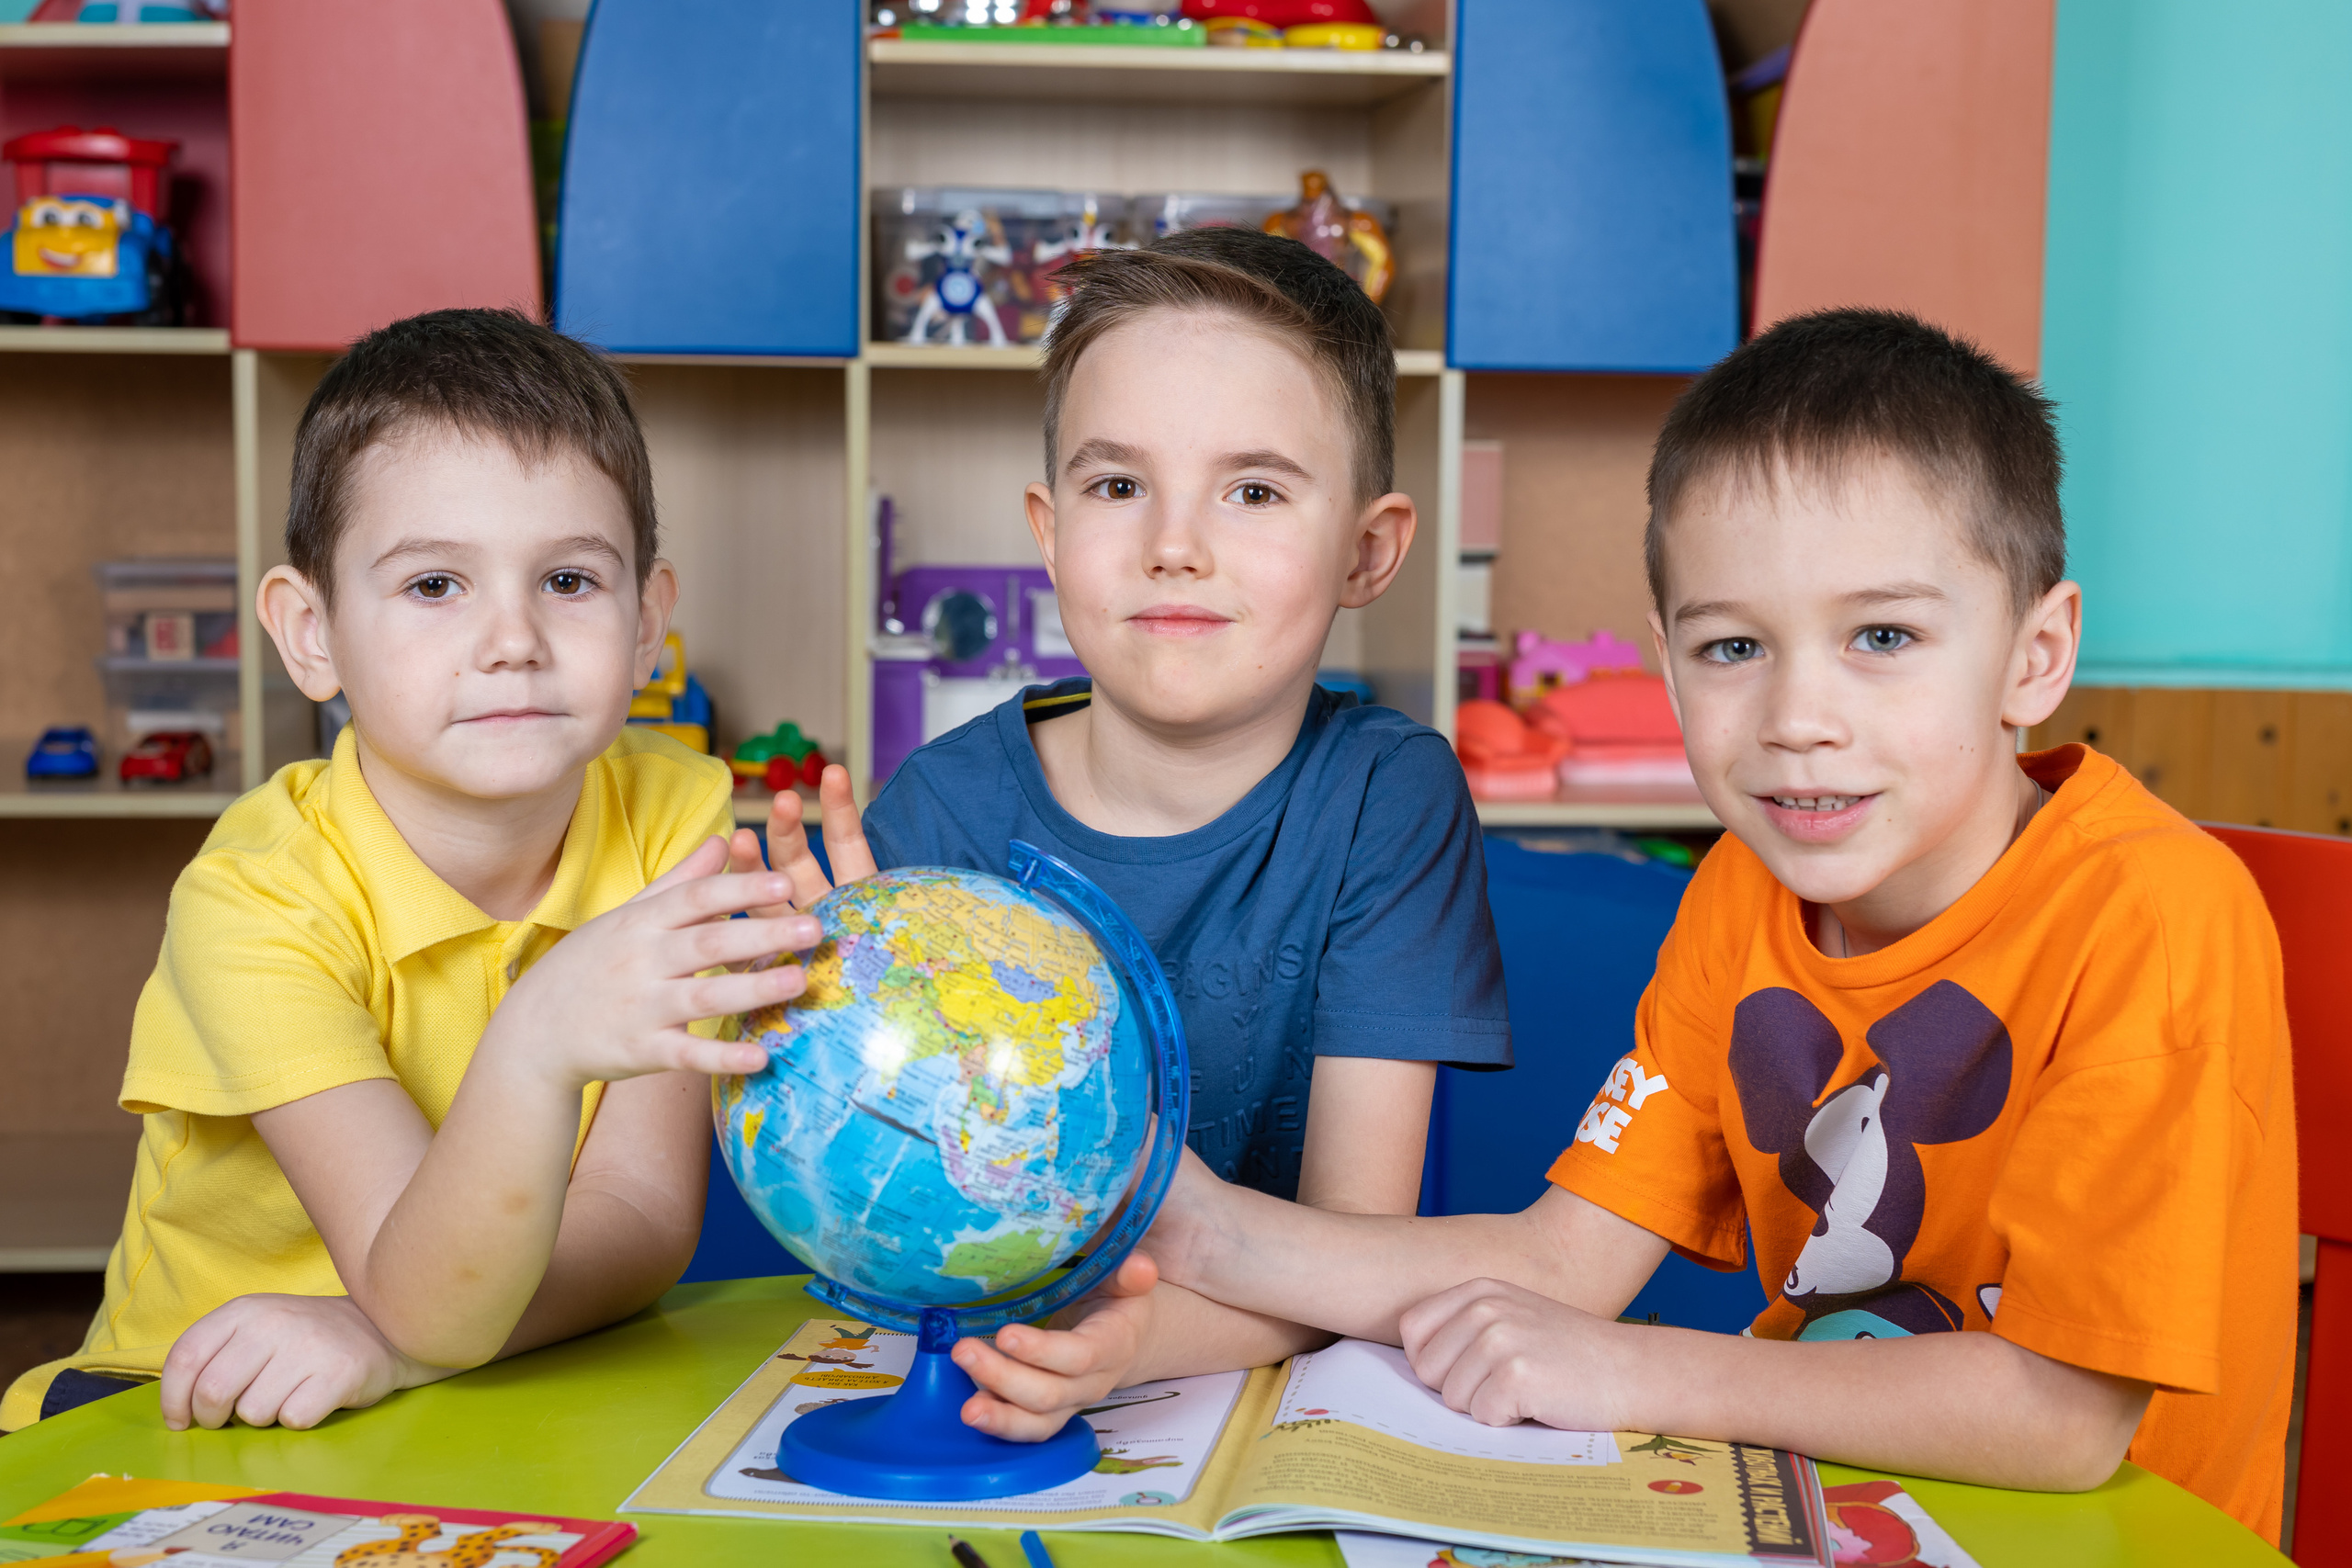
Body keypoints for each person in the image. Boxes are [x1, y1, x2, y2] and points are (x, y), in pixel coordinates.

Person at [1131, 308, 2299, 1542]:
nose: (1797, 716)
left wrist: (1628, 1367)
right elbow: (1563, 1262)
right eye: (1733, 645)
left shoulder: (2153, 915)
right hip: (1828, 1509)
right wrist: (1207, 1228)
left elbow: (2060, 1416)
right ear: (1668, 662)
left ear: (2035, 653)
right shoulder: (1742, 889)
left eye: (1883, 636)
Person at [0, 309, 823, 1434]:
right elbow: (424, 1291)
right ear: (311, 634)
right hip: (189, 1401)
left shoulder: (677, 814)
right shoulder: (256, 898)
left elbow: (636, 1220)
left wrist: (397, 1346)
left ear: (647, 625)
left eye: (568, 580)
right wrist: (536, 1043)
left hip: (479, 1368)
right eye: (435, 585)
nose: (512, 641)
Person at [781, 228, 1511, 1442]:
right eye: (1118, 486)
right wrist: (828, 1023)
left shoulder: (1388, 796)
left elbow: (1356, 1250)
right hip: (982, 1373)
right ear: (1049, 527)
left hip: (1237, 1406)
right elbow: (874, 1203)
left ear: (1368, 551)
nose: (1174, 544)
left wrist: (1134, 1342)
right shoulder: (940, 812)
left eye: (1254, 490)